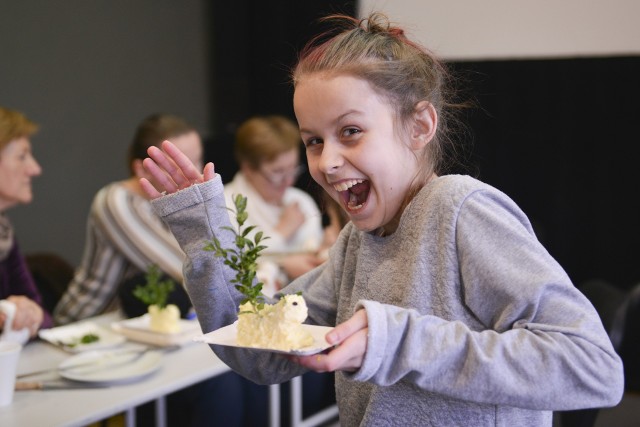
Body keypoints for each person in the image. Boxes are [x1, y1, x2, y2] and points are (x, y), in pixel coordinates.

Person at [139, 13, 623, 427]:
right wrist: (206, 234)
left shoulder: (459, 210)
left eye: (350, 132)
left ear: (418, 126)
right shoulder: (356, 244)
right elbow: (257, 351)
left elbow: (593, 368)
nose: (326, 162)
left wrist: (397, 341)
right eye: (313, 141)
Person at [54, 113, 245, 427]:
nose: (192, 174)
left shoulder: (170, 204)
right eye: (177, 164)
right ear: (141, 168)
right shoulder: (114, 200)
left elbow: (217, 262)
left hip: (133, 334)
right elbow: (181, 264)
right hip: (84, 331)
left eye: (196, 160)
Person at [226, 115, 324, 295]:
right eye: (278, 173)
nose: (288, 182)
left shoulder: (301, 201)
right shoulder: (225, 205)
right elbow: (227, 268)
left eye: (293, 169)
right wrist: (281, 234)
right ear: (248, 168)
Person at [0, 106, 53, 339]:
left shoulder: (4, 234)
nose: (35, 169)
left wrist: (32, 313)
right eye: (22, 156)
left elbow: (45, 318)